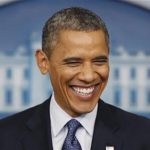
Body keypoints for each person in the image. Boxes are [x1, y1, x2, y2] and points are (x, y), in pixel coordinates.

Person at [0, 7, 150, 150]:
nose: (88, 76)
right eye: (73, 62)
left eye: (99, 61)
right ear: (43, 62)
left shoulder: (143, 135)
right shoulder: (5, 137)